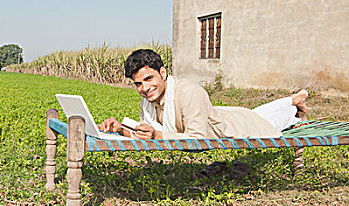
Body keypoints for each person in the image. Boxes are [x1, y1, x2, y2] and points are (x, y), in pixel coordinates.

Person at [98, 49, 308, 140]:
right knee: (256, 113)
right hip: (226, 114)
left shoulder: (188, 92)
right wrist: (120, 129)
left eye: (149, 79)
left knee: (271, 122)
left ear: (163, 73)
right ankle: (291, 99)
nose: (144, 88)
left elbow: (196, 139)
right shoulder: (148, 99)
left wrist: (156, 135)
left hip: (237, 126)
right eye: (138, 84)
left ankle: (294, 108)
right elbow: (149, 133)